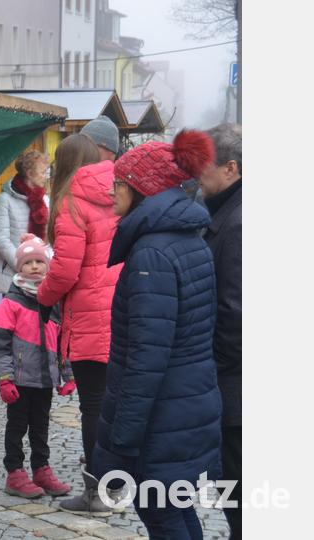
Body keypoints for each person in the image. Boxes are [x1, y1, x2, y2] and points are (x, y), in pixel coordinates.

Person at [94, 130, 222, 539]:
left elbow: (146, 360)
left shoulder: (152, 252)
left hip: (162, 416)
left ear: (143, 189)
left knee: (161, 514)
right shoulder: (187, 237)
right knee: (174, 509)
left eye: (119, 183)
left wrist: (122, 439)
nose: (111, 190)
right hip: (187, 404)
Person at [36, 134, 122, 515]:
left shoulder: (71, 201)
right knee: (115, 404)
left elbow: (66, 269)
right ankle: (117, 484)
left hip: (89, 315)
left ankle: (97, 494)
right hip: (122, 308)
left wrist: (43, 297)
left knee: (93, 406)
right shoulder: (119, 194)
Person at [0, 234, 76, 499]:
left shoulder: (53, 302)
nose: (35, 267)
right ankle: (15, 472)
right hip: (18, 379)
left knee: (41, 426)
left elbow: (63, 340)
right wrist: (5, 378)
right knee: (16, 425)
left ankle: (41, 468)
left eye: (40, 261)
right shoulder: (11, 303)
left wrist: (67, 375)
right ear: (19, 267)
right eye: (29, 263)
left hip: (45, 379)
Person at [199, 123, 242, 539]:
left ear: (230, 168)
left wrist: (210, 367)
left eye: (203, 166)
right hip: (232, 383)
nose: (197, 175)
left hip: (236, 387)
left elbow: (236, 314)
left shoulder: (239, 222)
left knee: (240, 493)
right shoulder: (227, 211)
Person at [0, 151, 51, 307]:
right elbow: (1, 240)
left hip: (42, 276)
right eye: (43, 172)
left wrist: (44, 264)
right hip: (13, 275)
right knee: (16, 326)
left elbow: (51, 237)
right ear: (29, 173)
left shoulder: (45, 200)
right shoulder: (4, 200)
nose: (46, 176)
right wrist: (24, 265)